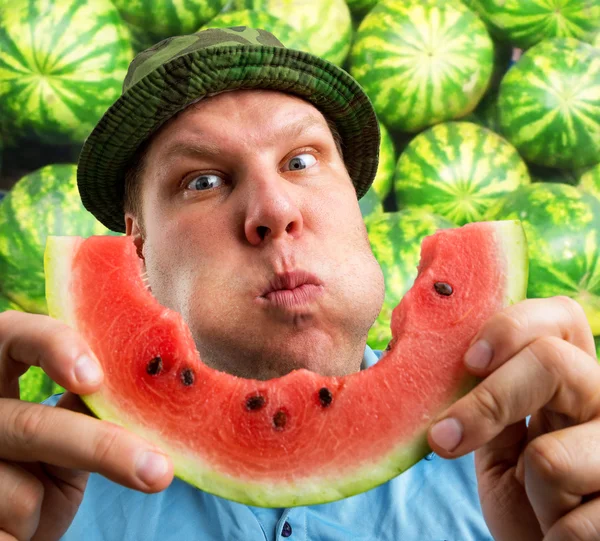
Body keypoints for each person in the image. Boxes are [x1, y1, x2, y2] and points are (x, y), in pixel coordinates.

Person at [0, 27, 599, 541]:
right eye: (203, 180)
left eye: (302, 161)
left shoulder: (531, 465)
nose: (274, 208)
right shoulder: (36, 483)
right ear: (137, 254)